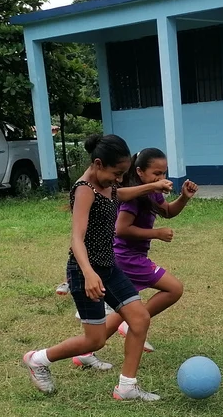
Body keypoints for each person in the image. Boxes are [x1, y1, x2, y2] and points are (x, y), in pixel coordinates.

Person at [22, 134, 172, 400]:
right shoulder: (84, 189)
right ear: (99, 164)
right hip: (85, 272)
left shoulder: (106, 185)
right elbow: (76, 239)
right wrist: (89, 274)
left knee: (140, 318)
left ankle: (127, 386)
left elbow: (120, 193)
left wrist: (153, 186)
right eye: (116, 173)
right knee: (95, 340)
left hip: (108, 267)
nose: (118, 179)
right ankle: (37, 359)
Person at [72, 147, 197, 366]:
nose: (161, 178)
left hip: (130, 256)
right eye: (156, 174)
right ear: (139, 172)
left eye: (164, 173)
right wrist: (156, 233)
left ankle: (86, 352)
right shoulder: (133, 196)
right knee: (173, 288)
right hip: (127, 257)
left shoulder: (152, 191)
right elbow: (121, 229)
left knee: (126, 309)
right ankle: (129, 325)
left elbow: (167, 211)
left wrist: (184, 198)